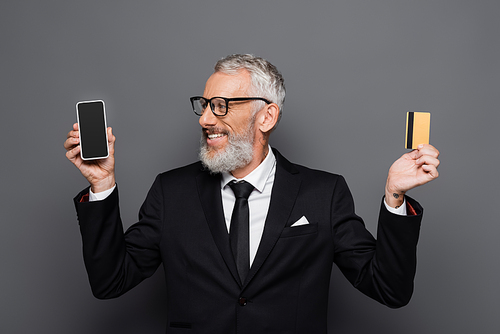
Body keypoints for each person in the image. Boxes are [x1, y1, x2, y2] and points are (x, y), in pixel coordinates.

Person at [64, 54, 440, 333]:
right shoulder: (171, 192)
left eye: (221, 106)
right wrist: (101, 186)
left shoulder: (323, 193)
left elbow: (389, 289)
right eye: (204, 105)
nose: (205, 118)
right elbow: (111, 281)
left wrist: (394, 199)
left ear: (267, 116)